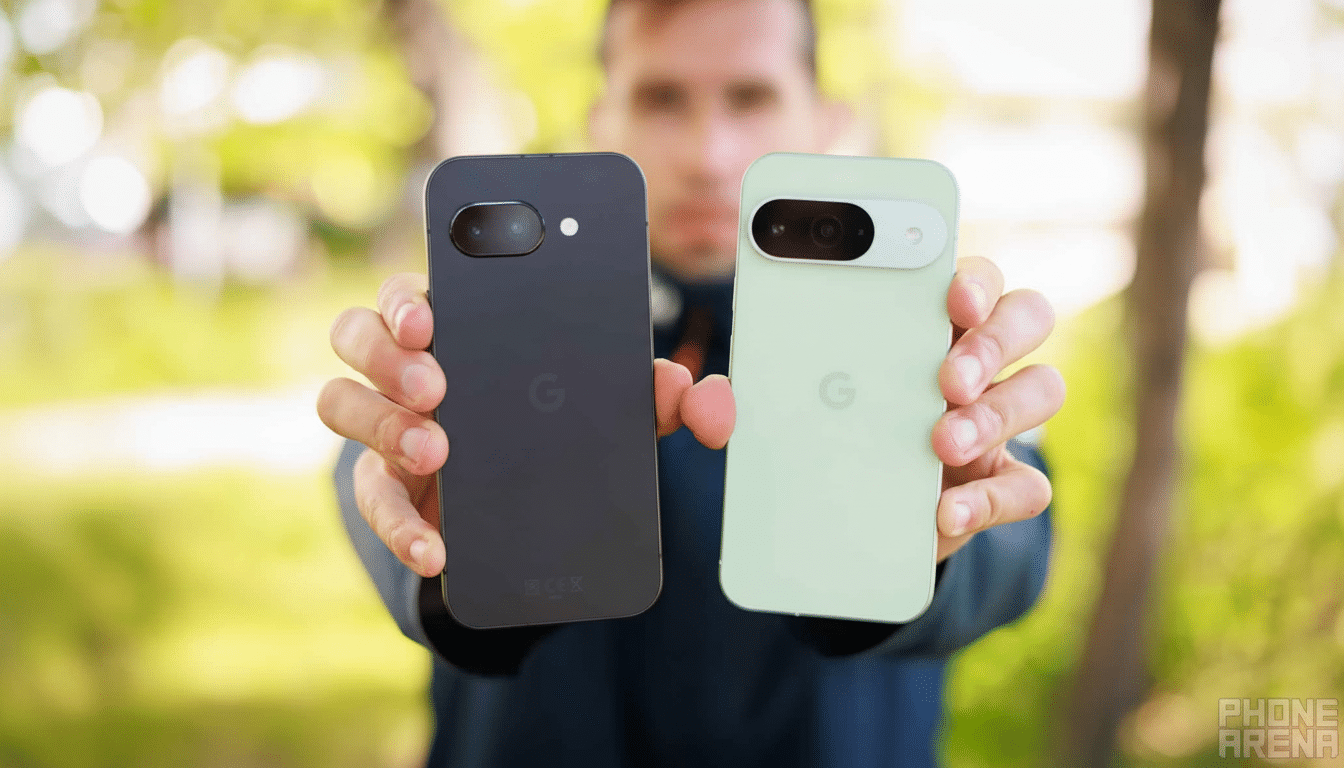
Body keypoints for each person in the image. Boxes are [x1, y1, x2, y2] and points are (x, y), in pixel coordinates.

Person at [316, 0, 1066, 765]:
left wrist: (938, 530)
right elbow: (377, 494)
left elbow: (1014, 549)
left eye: (751, 97)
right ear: (601, 120)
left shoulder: (927, 342)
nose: (708, 154)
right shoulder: (480, 334)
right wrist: (439, 538)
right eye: (662, 99)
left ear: (825, 122)